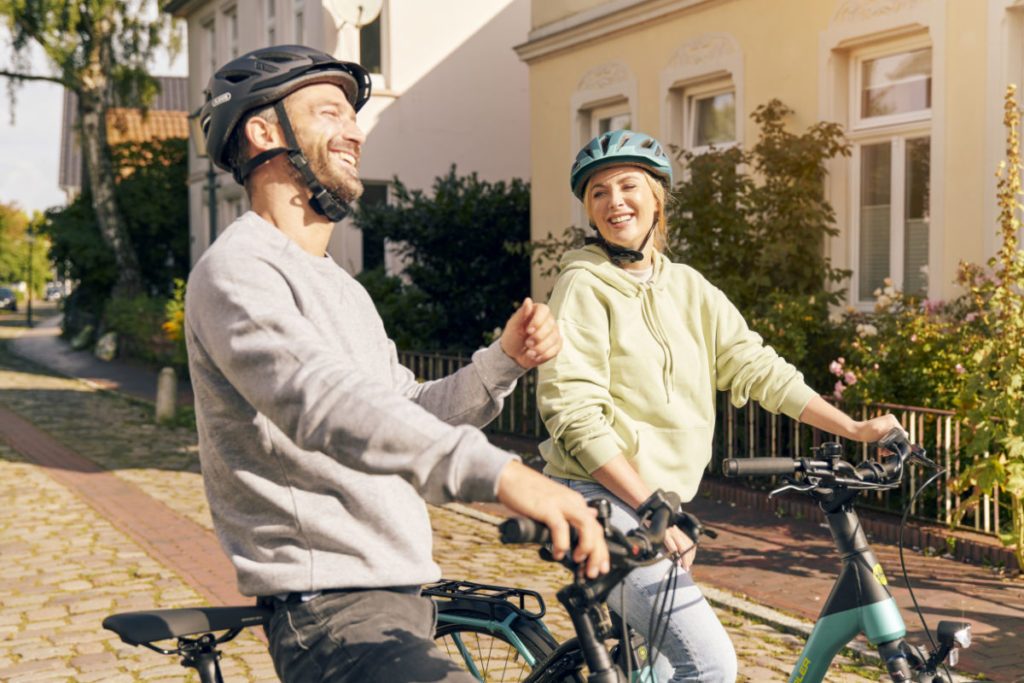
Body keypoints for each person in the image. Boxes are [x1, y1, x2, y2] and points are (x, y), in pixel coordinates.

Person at [185, 45, 609, 683]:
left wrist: (502, 362)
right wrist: (505, 477)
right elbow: (321, 403)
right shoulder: (237, 271)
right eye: (330, 112)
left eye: (354, 116)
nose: (355, 130)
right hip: (330, 611)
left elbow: (406, 409)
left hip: (400, 598)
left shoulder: (342, 286)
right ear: (264, 131)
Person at [536, 129, 904, 683]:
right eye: (598, 192)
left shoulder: (689, 287)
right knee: (708, 663)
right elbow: (575, 414)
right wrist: (657, 511)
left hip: (656, 506)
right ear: (589, 211)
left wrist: (852, 427)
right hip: (598, 500)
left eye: (628, 185)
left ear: (657, 197)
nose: (615, 201)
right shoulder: (582, 287)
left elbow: (757, 368)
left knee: (659, 668)